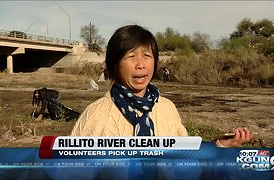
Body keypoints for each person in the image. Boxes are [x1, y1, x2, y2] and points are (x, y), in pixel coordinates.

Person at [70, 25, 253, 147]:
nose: (140, 64)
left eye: (147, 56)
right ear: (114, 65)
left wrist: (220, 145)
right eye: (131, 56)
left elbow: (186, 154)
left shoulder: (167, 108)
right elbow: (72, 168)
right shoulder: (96, 114)